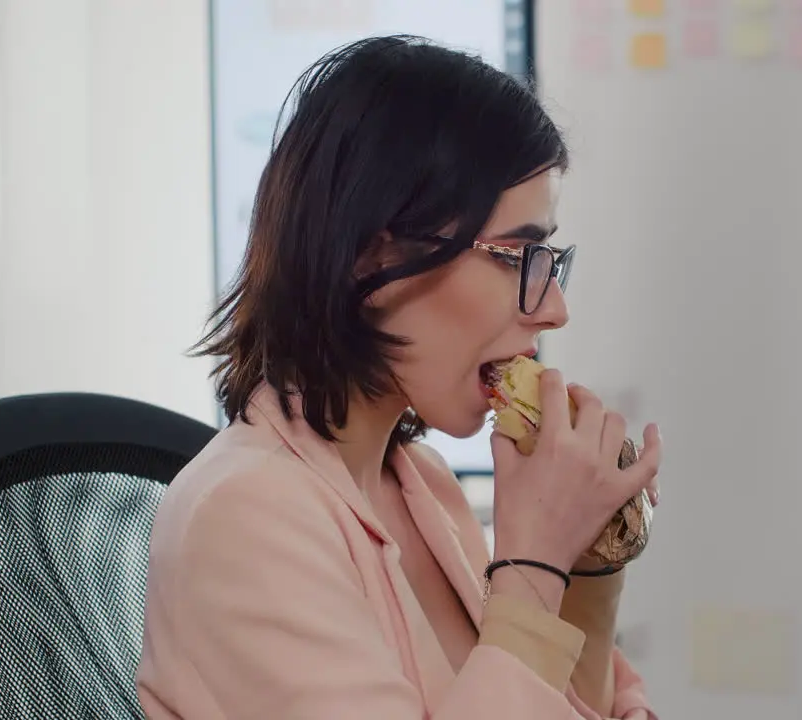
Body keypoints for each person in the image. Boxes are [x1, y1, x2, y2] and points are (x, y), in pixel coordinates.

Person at [136, 35, 662, 719]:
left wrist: (591, 566)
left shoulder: (424, 486)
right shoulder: (246, 516)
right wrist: (533, 562)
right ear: (373, 255)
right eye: (518, 256)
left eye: (550, 262)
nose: (554, 309)